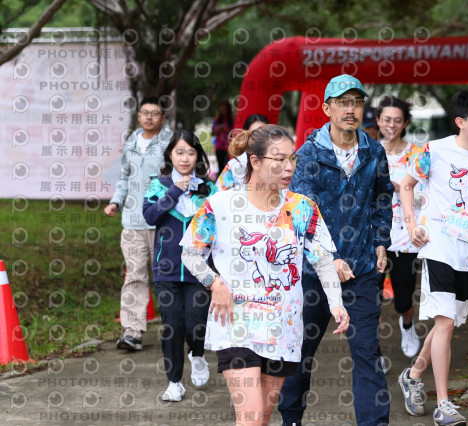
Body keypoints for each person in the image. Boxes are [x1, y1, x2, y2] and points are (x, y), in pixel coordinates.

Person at [181, 124, 350, 425]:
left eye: (292, 158)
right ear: (255, 162)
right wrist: (215, 283)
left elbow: (323, 260)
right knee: (251, 417)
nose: (289, 167)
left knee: (261, 419)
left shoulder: (302, 208)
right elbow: (190, 254)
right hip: (236, 322)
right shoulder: (220, 205)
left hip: (283, 326)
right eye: (279, 159)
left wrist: (336, 303)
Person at [278, 74, 395, 426]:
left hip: (361, 270)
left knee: (368, 354)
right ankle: (291, 419)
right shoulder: (308, 155)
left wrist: (380, 242)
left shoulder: (373, 151)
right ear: (327, 108)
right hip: (314, 273)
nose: (350, 109)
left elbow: (382, 197)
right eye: (343, 102)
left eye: (356, 102)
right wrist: (330, 258)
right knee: (300, 352)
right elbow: (303, 213)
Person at [397, 90, 468, 425]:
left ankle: (413, 375)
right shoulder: (433, 151)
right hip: (439, 246)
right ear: (461, 121)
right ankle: (443, 404)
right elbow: (406, 185)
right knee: (446, 322)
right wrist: (411, 225)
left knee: (446, 321)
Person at [142, 130, 216, 401]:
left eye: (190, 152)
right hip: (166, 269)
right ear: (170, 155)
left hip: (200, 270)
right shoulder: (158, 185)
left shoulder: (209, 188)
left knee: (196, 323)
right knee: (172, 325)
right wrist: (175, 191)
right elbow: (150, 216)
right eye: (179, 152)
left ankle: (197, 354)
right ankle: (174, 382)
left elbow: (220, 225)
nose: (185, 158)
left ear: (198, 156)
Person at [104, 97, 172, 351]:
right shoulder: (132, 142)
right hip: (132, 221)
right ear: (139, 116)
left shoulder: (171, 144)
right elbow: (124, 177)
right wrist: (115, 202)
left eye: (155, 113)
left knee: (167, 277)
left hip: (162, 223)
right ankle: (132, 332)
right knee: (134, 276)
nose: (149, 117)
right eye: (145, 113)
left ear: (163, 118)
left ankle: (175, 328)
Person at [375, 96, 424, 359]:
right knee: (370, 299)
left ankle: (407, 324)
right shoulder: (369, 152)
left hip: (405, 237)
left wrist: (402, 189)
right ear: (378, 121)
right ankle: (374, 352)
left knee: (404, 298)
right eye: (386, 120)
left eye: (397, 120)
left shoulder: (417, 155)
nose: (391, 125)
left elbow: (427, 196)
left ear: (405, 123)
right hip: (373, 237)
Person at [216, 114, 269, 191]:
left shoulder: (277, 162)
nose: (260, 138)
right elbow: (220, 194)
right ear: (246, 136)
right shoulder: (234, 165)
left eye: (264, 133)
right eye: (254, 133)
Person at [212, 99, 234, 172]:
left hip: (229, 148)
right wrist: (218, 129)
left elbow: (234, 132)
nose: (223, 110)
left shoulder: (232, 119)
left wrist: (226, 130)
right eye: (222, 109)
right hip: (219, 147)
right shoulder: (217, 119)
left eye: (225, 109)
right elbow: (213, 132)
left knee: (229, 167)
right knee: (221, 168)